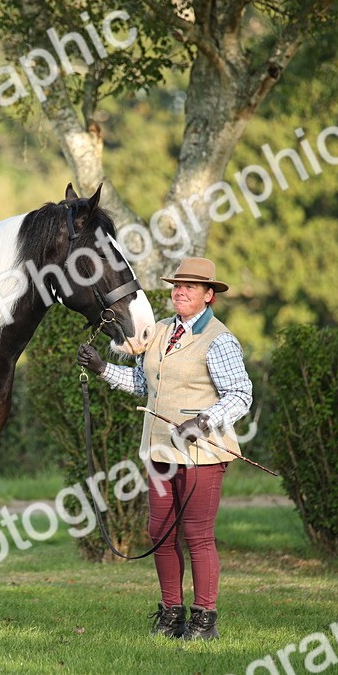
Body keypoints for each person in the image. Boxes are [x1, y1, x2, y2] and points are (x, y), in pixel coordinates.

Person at [77, 257, 252, 640]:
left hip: (202, 454)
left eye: (190, 286)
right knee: (159, 531)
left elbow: (240, 394)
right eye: (177, 285)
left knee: (197, 535)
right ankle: (171, 613)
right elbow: (144, 385)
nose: (180, 291)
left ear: (209, 296)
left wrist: (203, 421)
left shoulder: (219, 339)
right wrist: (102, 368)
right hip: (159, 452)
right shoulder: (158, 332)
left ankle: (205, 619)